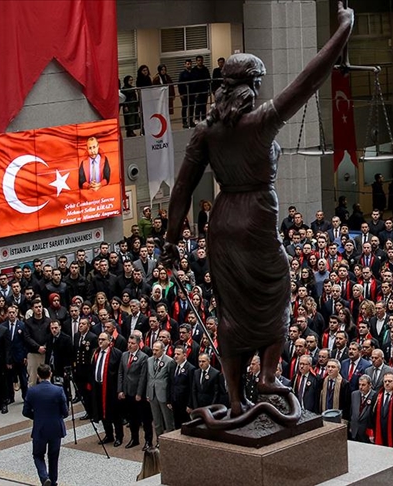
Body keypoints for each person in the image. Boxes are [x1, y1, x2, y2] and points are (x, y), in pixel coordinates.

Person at [160, 2, 355, 423]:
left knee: (229, 312)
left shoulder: (205, 131)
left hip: (223, 222)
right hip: (256, 219)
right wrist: (345, 29)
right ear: (251, 85)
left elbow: (181, 190)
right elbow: (310, 78)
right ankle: (267, 375)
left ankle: (234, 399)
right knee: (277, 292)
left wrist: (171, 241)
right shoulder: (261, 121)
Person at [23, 364, 68, 486]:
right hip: (55, 428)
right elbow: (65, 412)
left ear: (38, 376)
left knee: (38, 455)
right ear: (50, 374)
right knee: (53, 457)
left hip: (40, 428)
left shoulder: (32, 391)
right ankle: (53, 481)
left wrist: (36, 416)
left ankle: (44, 477)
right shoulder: (58, 390)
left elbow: (25, 411)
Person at [145, 341, 175, 442]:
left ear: (163, 350)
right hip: (152, 394)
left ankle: (170, 441)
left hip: (163, 394)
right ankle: (158, 440)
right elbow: (148, 378)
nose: (154, 352)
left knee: (168, 420)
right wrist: (148, 393)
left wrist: (170, 397)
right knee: (156, 420)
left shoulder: (169, 361)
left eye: (157, 350)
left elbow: (171, 381)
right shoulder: (149, 360)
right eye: (153, 349)